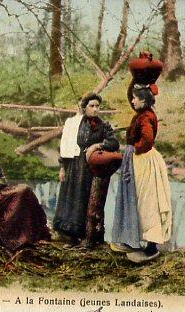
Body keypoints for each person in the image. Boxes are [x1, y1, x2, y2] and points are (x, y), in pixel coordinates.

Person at [110, 82, 173, 263]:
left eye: (135, 98)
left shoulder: (145, 117)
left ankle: (151, 247)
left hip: (143, 160)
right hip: (141, 159)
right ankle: (134, 240)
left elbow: (147, 140)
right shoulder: (144, 113)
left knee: (147, 202)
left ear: (144, 100)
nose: (132, 100)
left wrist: (134, 149)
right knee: (141, 200)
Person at [53, 93, 120, 245]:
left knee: (82, 198)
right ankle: (63, 232)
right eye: (92, 106)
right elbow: (65, 145)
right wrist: (62, 167)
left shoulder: (103, 126)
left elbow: (114, 142)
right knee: (68, 195)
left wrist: (97, 145)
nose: (95, 109)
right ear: (84, 108)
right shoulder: (74, 124)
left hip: (88, 167)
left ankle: (80, 234)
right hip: (73, 165)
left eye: (97, 106)